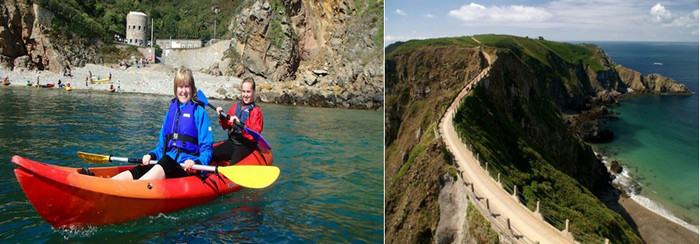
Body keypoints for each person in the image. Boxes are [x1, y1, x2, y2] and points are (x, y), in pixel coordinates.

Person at [112, 67, 213, 180]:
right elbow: (161, 147)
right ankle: (111, 184)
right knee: (143, 168)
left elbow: (207, 149)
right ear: (175, 89)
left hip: (187, 167)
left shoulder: (199, 112)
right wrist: (151, 155)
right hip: (167, 162)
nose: (183, 91)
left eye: (187, 86)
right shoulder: (170, 113)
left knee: (166, 162)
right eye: (180, 87)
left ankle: (136, 188)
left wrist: (196, 162)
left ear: (192, 88)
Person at [212, 77, 263, 164]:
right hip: (232, 142)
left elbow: (254, 134)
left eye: (248, 92)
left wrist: (240, 124)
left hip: (245, 146)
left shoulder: (256, 111)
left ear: (253, 92)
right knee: (210, 153)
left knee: (233, 166)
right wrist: (222, 116)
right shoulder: (235, 107)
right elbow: (225, 126)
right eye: (243, 91)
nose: (245, 95)